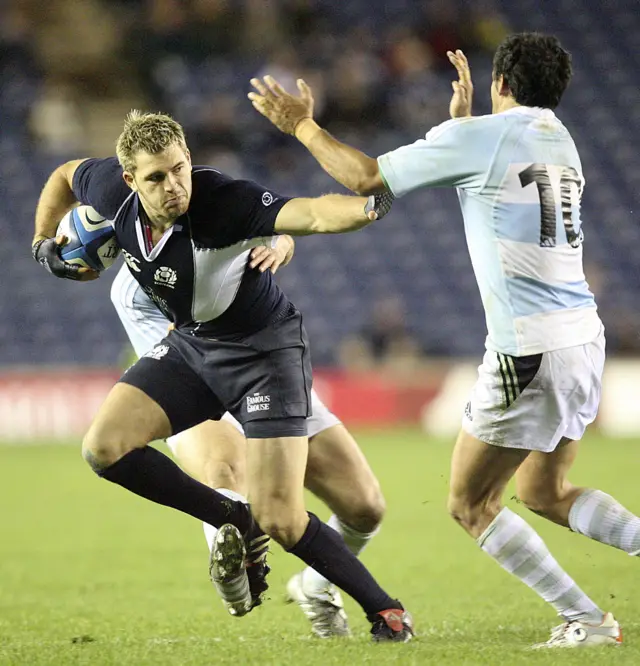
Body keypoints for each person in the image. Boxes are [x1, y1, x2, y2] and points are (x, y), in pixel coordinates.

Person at [248, 31, 640, 648]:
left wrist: (301, 125)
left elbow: (366, 177)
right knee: (544, 491)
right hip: (582, 338)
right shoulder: (559, 139)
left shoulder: (479, 138)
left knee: (470, 504)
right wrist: (463, 126)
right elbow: (496, 173)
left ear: (501, 84)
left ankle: (589, 621)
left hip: (529, 347)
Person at [31, 110, 412, 642]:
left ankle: (385, 610)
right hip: (195, 346)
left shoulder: (222, 201)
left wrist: (369, 207)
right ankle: (232, 516)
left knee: (293, 514)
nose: (174, 186)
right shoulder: (105, 194)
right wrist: (41, 239)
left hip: (265, 357)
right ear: (128, 180)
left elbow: (310, 215)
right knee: (104, 448)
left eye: (180, 168)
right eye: (157, 177)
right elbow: (63, 175)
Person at [110, 257, 386, 638]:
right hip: (195, 378)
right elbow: (75, 197)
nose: (172, 194)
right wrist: (46, 240)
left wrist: (280, 240)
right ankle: (234, 576)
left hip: (270, 369)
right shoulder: (132, 285)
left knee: (364, 507)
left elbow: (278, 217)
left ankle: (315, 586)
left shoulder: (219, 215)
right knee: (225, 468)